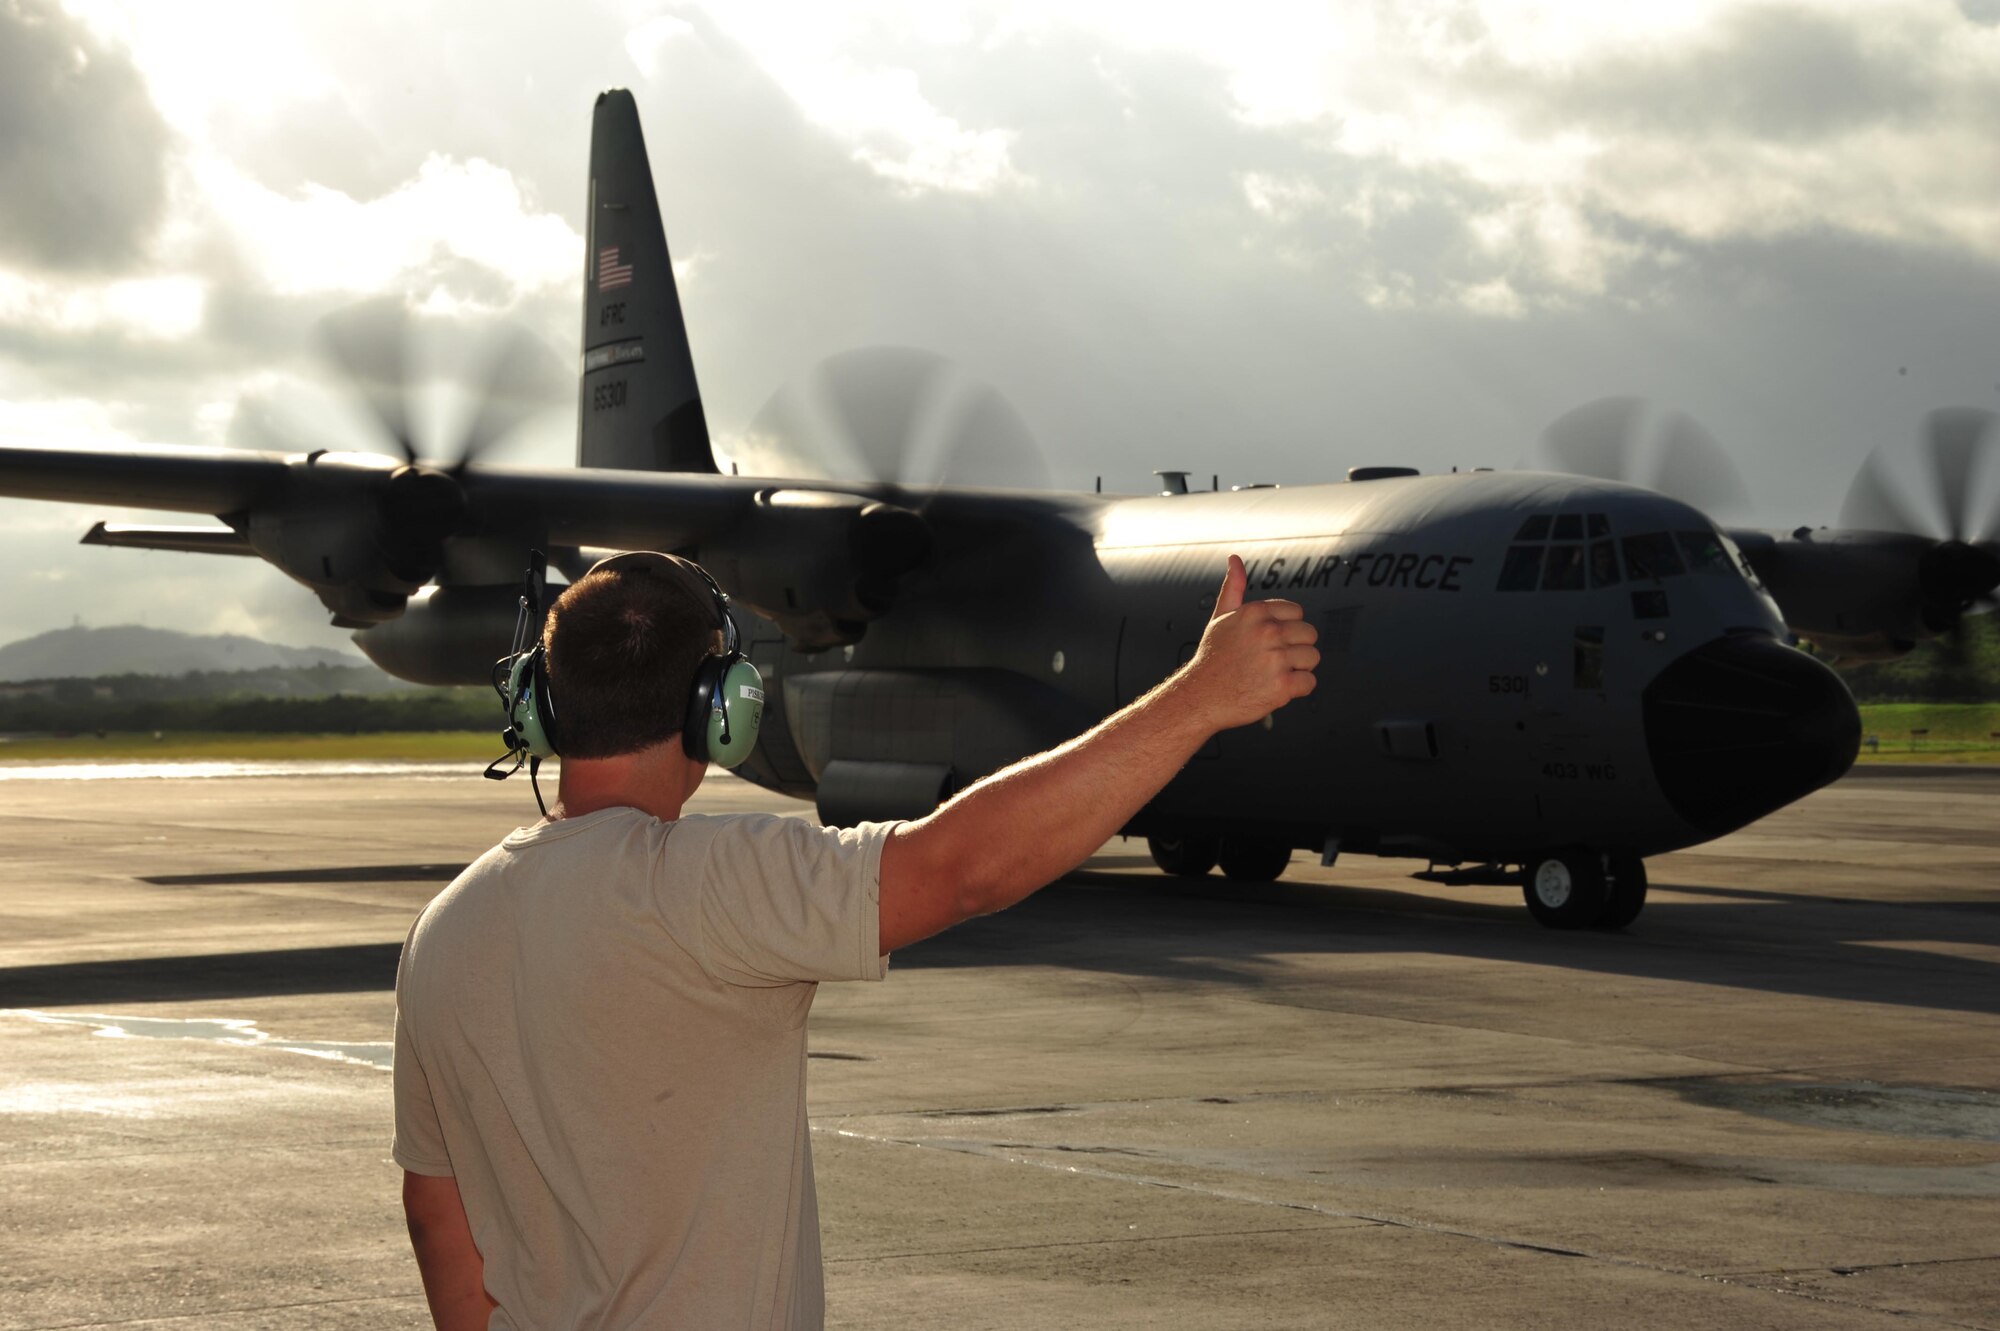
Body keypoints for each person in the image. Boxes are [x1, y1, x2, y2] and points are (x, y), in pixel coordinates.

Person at [393, 550, 1318, 1330]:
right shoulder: (715, 885)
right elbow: (963, 867)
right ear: (722, 706)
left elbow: (439, 1216)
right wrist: (1199, 697)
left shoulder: (445, 929)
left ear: (541, 703)